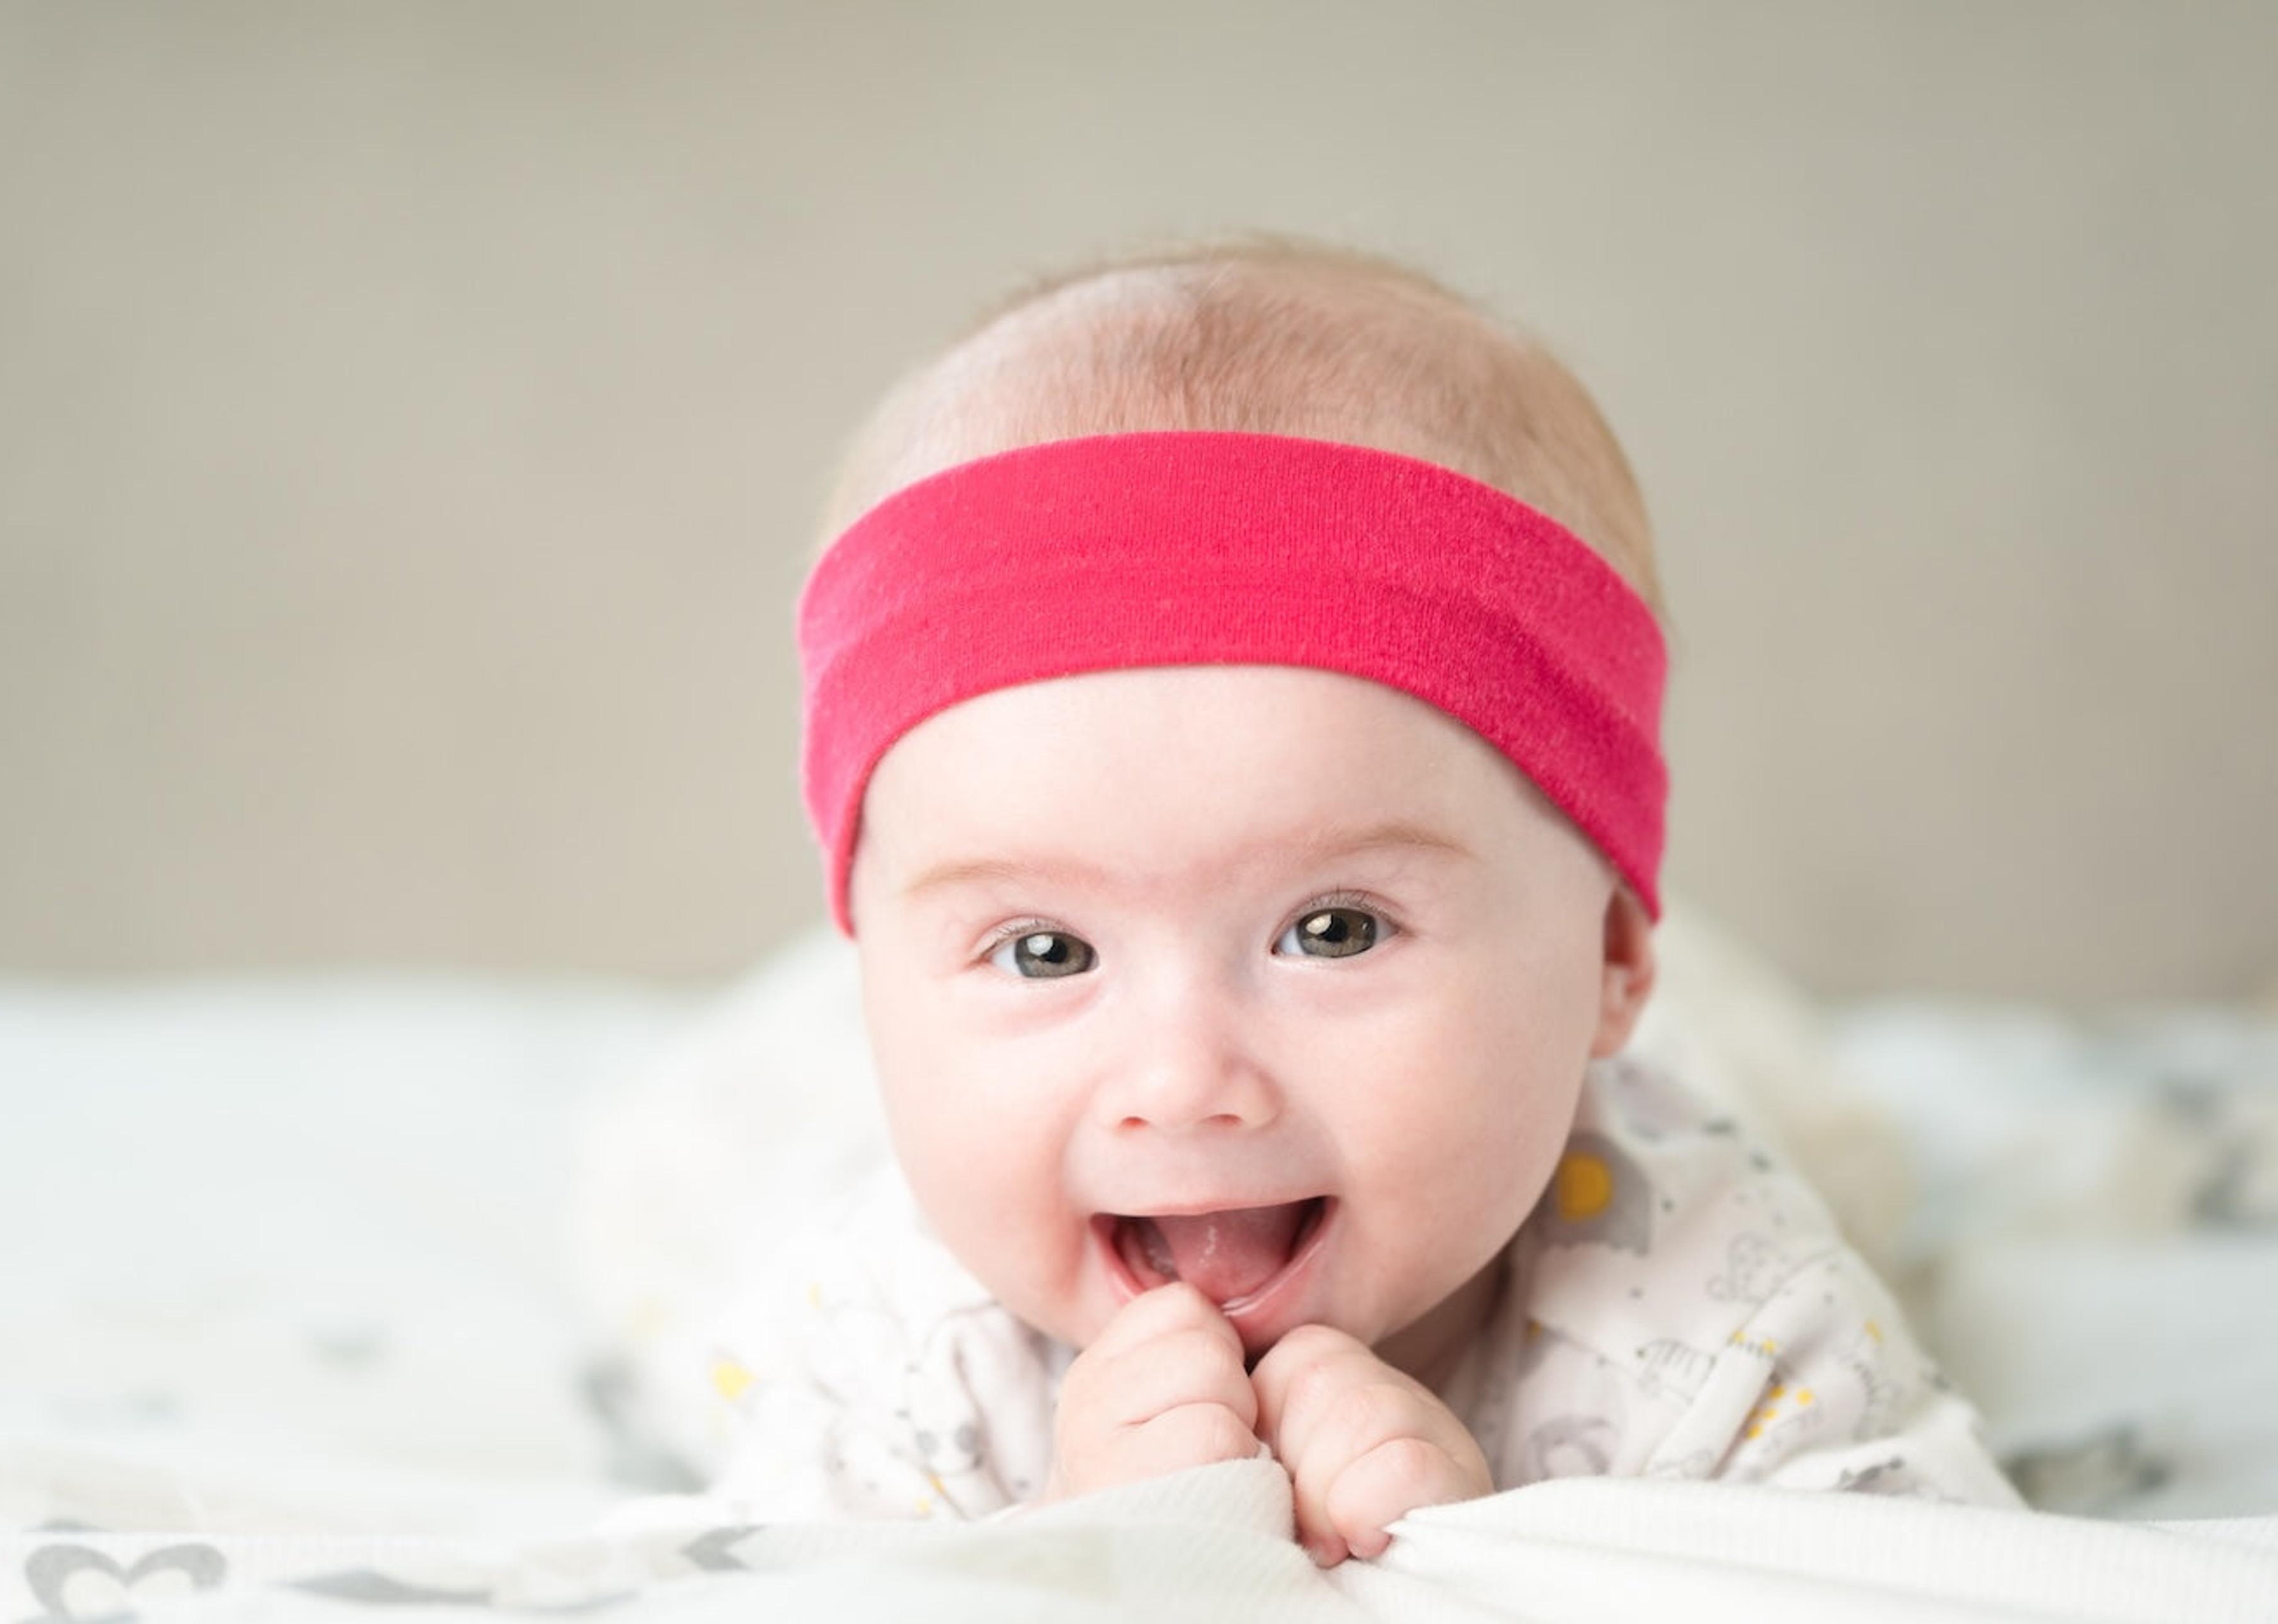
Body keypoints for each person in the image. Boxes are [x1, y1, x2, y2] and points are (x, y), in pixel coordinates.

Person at [691, 235, 2017, 1564]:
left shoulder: (1726, 1317)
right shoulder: (886, 1346)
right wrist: (1067, 1553)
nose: (1182, 1082)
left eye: (1334, 931)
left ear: (1614, 956)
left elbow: (1927, 1580)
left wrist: (1498, 1564)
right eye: (1044, 950)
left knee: (1841, 1142)